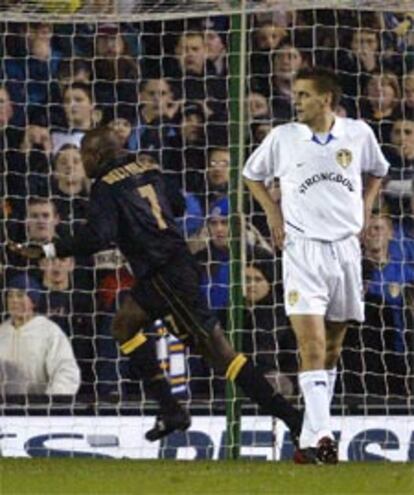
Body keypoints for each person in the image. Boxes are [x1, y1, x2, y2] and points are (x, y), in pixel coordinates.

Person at [10, 125, 302, 446]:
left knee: (221, 354)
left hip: (167, 275)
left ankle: (294, 419)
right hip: (169, 270)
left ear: (95, 155)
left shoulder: (105, 186)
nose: (84, 165)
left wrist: (49, 249)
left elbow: (98, 236)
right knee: (123, 326)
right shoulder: (149, 168)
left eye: (83, 158)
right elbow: (176, 206)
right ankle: (170, 408)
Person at [243, 67, 389, 463]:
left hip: (345, 251)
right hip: (301, 250)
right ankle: (325, 436)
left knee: (334, 347)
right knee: (312, 344)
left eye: (305, 94)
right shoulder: (283, 138)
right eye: (297, 93)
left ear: (326, 99)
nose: (298, 100)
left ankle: (309, 438)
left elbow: (379, 170)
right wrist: (273, 212)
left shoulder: (358, 134)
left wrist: (366, 203)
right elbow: (251, 175)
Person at [0, 274, 80, 396]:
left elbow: (67, 372)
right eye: (10, 295)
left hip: (37, 409)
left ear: (33, 302)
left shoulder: (49, 331)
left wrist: (49, 404)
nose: (14, 300)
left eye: (20, 295)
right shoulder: (2, 331)